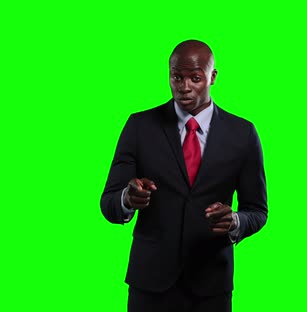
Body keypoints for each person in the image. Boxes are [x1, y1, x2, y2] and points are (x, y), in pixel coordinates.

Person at [100, 39, 268, 312]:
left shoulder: (243, 134)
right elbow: (108, 202)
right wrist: (126, 199)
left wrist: (234, 221)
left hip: (211, 285)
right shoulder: (139, 126)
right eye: (177, 76)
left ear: (212, 77)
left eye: (195, 77)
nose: (184, 86)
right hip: (149, 284)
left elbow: (258, 210)